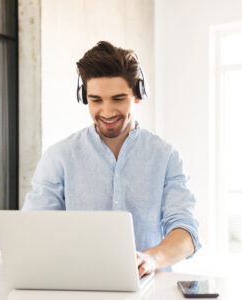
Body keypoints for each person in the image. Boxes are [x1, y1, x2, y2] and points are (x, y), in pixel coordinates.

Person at [22, 41, 201, 277]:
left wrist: (150, 259)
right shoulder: (59, 157)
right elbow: (33, 231)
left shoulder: (166, 156)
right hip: (79, 286)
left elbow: (186, 232)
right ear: (84, 98)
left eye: (118, 99)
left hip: (149, 287)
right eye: (96, 100)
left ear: (137, 95)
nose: (106, 112)